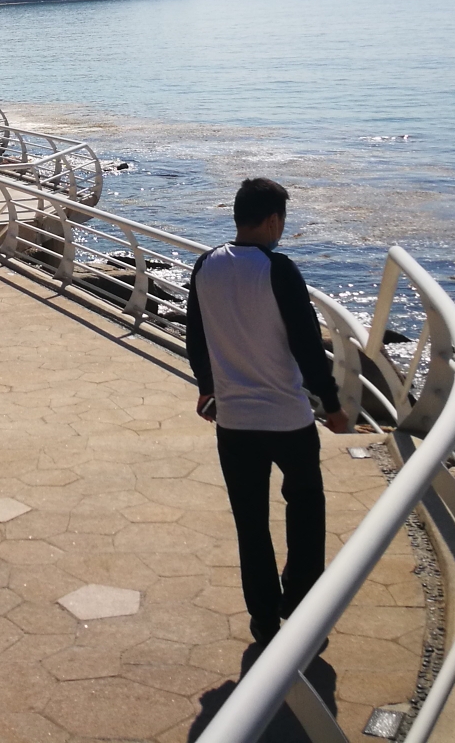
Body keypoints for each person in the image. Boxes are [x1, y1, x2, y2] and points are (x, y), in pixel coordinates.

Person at [186, 177, 349, 648]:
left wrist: (207, 389)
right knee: (306, 509)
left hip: (234, 424)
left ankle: (263, 618)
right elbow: (307, 349)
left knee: (250, 522)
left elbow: (196, 337)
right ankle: (299, 605)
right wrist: (333, 406)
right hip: (287, 421)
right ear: (273, 220)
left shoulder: (205, 264)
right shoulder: (279, 270)